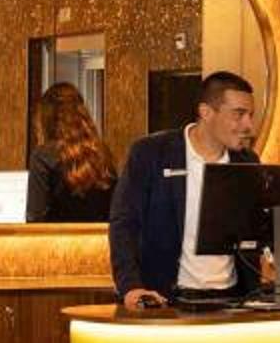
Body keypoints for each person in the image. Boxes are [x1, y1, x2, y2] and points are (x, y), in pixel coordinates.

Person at [107, 71, 259, 309]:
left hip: (234, 300)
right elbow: (123, 224)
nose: (248, 125)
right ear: (206, 112)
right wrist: (130, 286)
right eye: (239, 114)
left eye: (250, 116)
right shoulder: (151, 153)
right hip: (167, 300)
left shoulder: (248, 162)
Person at [25, 80, 117, 222]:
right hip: (99, 236)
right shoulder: (102, 155)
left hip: (58, 237)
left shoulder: (42, 157)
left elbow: (35, 218)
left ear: (45, 120)